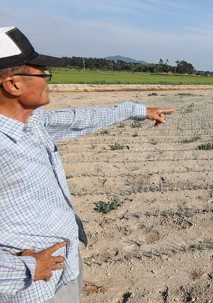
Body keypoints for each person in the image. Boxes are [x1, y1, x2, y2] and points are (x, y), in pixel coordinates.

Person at [0, 26, 175, 303]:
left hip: (62, 269)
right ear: (13, 85)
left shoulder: (32, 123)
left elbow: (79, 118)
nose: (48, 81)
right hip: (30, 289)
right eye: (42, 74)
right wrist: (23, 269)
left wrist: (138, 111)